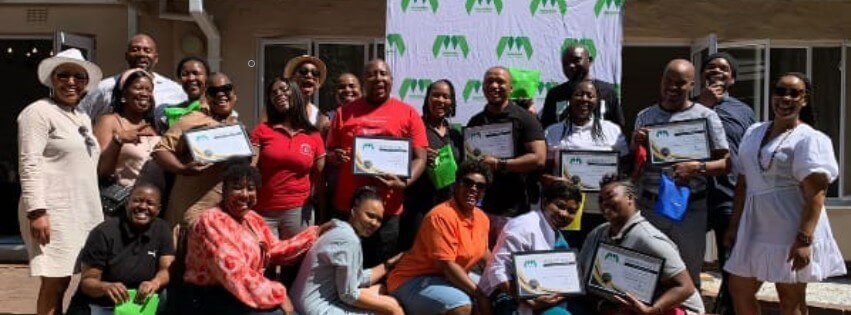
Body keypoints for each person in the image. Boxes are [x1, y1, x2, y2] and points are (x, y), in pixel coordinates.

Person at [724, 73, 847, 315]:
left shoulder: (811, 139)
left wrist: (804, 239)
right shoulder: (753, 132)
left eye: (794, 93)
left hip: (792, 226)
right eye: (780, 91)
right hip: (756, 225)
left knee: (790, 298)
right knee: (739, 287)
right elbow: (743, 183)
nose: (785, 98)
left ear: (805, 100)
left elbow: (817, 192)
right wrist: (734, 225)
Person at [17, 48, 104, 315]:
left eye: (78, 76)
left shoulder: (83, 118)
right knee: (54, 281)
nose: (71, 82)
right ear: (53, 79)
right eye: (63, 75)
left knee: (66, 279)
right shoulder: (38, 112)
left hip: (80, 210)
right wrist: (37, 211)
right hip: (52, 211)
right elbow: (28, 161)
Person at [632, 59, 729, 287]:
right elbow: (635, 168)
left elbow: (726, 163)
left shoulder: (706, 116)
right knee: (647, 275)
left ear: (692, 86)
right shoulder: (645, 116)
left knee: (687, 276)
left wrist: (698, 167)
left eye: (680, 83)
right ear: (661, 80)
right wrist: (637, 145)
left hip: (690, 209)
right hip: (651, 207)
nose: (673, 87)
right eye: (668, 81)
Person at [182, 163, 328, 315]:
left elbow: (274, 249)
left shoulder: (252, 219)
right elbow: (235, 273)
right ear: (224, 191)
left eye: (250, 189)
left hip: (246, 291)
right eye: (237, 187)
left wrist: (315, 234)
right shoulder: (210, 221)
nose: (245, 194)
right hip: (212, 298)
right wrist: (279, 295)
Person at [325, 59, 428, 268]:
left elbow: (421, 157)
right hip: (348, 208)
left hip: (387, 210)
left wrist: (405, 183)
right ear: (363, 81)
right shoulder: (344, 113)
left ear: (391, 79)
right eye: (372, 74)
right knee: (343, 266)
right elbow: (328, 152)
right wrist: (334, 157)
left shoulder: (408, 113)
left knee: (378, 269)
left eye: (383, 73)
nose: (378, 78)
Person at [578, 175, 704, 314]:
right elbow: (582, 278)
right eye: (601, 200)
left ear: (630, 198)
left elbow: (686, 287)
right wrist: (604, 307)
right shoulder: (597, 234)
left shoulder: (649, 239)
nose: (604, 203)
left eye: (610, 196)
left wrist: (651, 310)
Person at [387, 160, 492, 315]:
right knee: (462, 305)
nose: (473, 189)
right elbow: (447, 266)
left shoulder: (482, 218)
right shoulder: (441, 216)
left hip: (444, 278)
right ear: (456, 184)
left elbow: (484, 254)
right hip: (412, 280)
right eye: (467, 183)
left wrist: (504, 280)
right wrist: (480, 295)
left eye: (480, 186)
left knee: (497, 293)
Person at [694, 52, 756, 315]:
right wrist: (704, 105)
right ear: (701, 75)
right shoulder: (687, 104)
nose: (716, 71)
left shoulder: (744, 111)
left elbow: (751, 155)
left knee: (732, 267)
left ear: (732, 78)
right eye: (710, 67)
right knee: (684, 262)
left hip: (728, 198)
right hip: (690, 197)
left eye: (724, 68)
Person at [542, 78, 629, 248]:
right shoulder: (553, 131)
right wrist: (553, 181)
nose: (584, 99)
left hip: (602, 211)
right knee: (567, 260)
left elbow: (625, 165)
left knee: (598, 261)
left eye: (590, 95)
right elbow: (541, 172)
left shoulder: (612, 130)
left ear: (597, 101)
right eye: (579, 94)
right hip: (565, 212)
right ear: (569, 99)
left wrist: (614, 181)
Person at [291, 186, 404, 315]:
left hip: (303, 302)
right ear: (354, 211)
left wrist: (389, 264)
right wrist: (391, 308)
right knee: (392, 308)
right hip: (314, 309)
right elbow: (348, 295)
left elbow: (357, 278)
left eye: (379, 219)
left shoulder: (341, 230)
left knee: (381, 289)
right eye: (370, 216)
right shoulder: (349, 240)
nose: (374, 223)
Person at [466, 66, 546, 247]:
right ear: (483, 87)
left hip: (514, 210)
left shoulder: (525, 119)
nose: (494, 86)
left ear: (510, 88)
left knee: (508, 261)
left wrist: (499, 164)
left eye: (500, 82)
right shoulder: (475, 122)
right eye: (489, 81)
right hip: (481, 208)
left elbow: (539, 158)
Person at [66, 183, 174, 315]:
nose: (143, 207)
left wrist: (154, 283)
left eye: (150, 203)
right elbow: (87, 283)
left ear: (158, 209)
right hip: (101, 304)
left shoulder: (162, 229)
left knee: (166, 295)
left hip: (137, 306)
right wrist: (106, 287)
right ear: (127, 203)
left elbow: (166, 269)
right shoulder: (103, 232)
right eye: (137, 201)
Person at [479, 181, 583, 315]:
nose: (564, 214)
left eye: (571, 211)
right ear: (545, 202)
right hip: (506, 295)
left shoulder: (557, 235)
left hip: (542, 296)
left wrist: (554, 297)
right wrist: (527, 300)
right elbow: (497, 271)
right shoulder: (524, 227)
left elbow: (567, 281)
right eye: (560, 206)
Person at [152, 72, 241, 228]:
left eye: (226, 89)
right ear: (207, 96)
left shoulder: (236, 126)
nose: (221, 94)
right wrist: (183, 169)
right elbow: (160, 151)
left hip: (223, 217)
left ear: (234, 94)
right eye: (214, 91)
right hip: (191, 214)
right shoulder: (192, 119)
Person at [252, 76, 326, 240]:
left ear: (296, 93)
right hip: (264, 212)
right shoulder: (261, 130)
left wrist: (322, 214)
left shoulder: (313, 135)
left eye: (284, 89)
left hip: (299, 212)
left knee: (296, 264)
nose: (279, 94)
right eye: (273, 93)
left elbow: (319, 180)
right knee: (264, 262)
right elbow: (251, 168)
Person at [400, 79, 464, 250]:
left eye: (446, 97)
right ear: (427, 99)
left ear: (452, 102)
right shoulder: (415, 128)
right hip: (418, 208)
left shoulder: (456, 135)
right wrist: (419, 156)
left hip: (448, 207)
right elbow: (396, 159)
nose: (441, 100)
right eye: (436, 95)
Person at [79, 34, 186, 122]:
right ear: (126, 55)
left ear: (156, 58)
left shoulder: (175, 90)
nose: (141, 54)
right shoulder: (104, 87)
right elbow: (81, 115)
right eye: (135, 49)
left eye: (147, 50)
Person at [92, 69, 162, 196]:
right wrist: (118, 140)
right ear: (124, 95)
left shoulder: (154, 126)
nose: (145, 93)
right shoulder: (109, 121)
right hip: (120, 203)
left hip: (152, 204)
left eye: (149, 90)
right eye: (138, 88)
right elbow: (100, 170)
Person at [540, 44, 623, 129]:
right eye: (566, 63)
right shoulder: (555, 94)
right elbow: (546, 128)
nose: (571, 66)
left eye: (576, 60)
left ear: (589, 61)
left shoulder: (607, 91)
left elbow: (618, 129)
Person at [154, 56, 211, 133]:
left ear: (207, 77)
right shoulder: (166, 112)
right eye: (185, 74)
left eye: (196, 73)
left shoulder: (217, 111)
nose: (191, 78)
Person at [284, 55, 331, 132]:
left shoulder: (320, 118)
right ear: (292, 78)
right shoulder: (276, 109)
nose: (309, 75)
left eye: (315, 73)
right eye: (303, 71)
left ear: (318, 84)